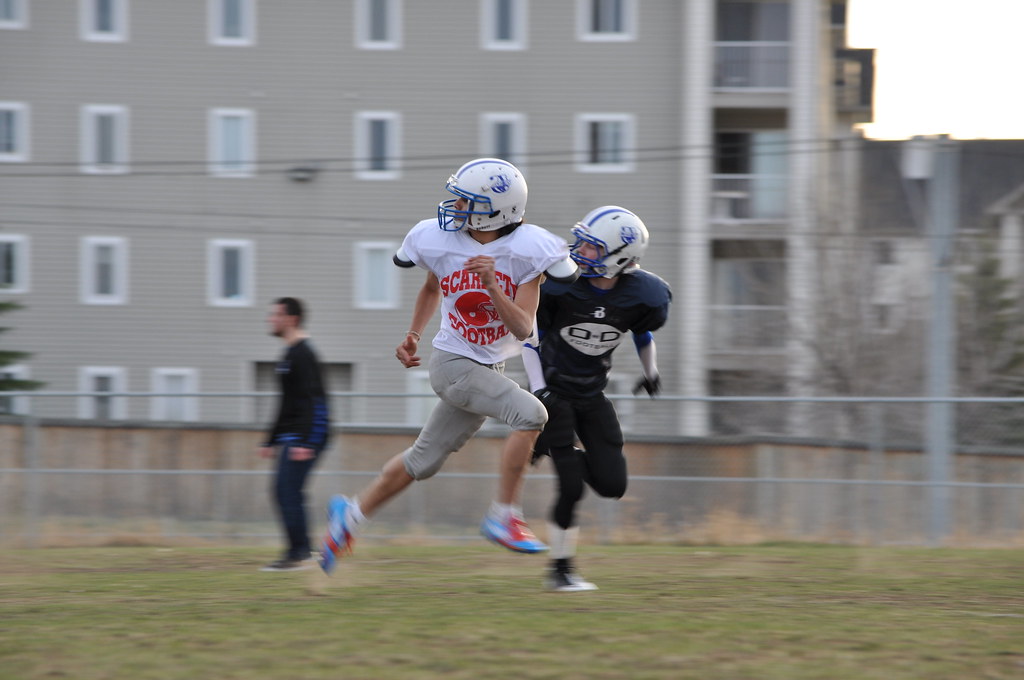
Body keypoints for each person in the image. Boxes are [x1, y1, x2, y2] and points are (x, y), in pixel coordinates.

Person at [319, 158, 579, 574]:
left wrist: (493, 285)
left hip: (487, 369)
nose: (455, 206)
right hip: (452, 363)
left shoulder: (528, 252)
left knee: (423, 461)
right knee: (531, 413)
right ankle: (503, 514)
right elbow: (430, 287)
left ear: (497, 209)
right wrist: (413, 334)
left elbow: (523, 327)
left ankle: (349, 517)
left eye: (467, 200)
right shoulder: (441, 240)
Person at [522, 206, 672, 591]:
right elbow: (529, 339)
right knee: (570, 488)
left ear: (619, 257)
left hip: (592, 394)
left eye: (591, 248)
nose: (580, 252)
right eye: (583, 244)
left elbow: (642, 333)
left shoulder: (642, 295)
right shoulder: (559, 285)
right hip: (555, 391)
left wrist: (650, 371)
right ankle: (560, 571)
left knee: (612, 484)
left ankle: (554, 448)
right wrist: (540, 390)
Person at [258, 297, 332, 571]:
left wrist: (308, 442)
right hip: (291, 436)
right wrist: (271, 439)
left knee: (288, 492)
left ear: (291, 319)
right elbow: (286, 403)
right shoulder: (289, 355)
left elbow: (317, 402)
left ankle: (299, 554)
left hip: (305, 437)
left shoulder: (304, 354)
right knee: (284, 491)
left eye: (276, 315)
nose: (271, 319)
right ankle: (298, 551)